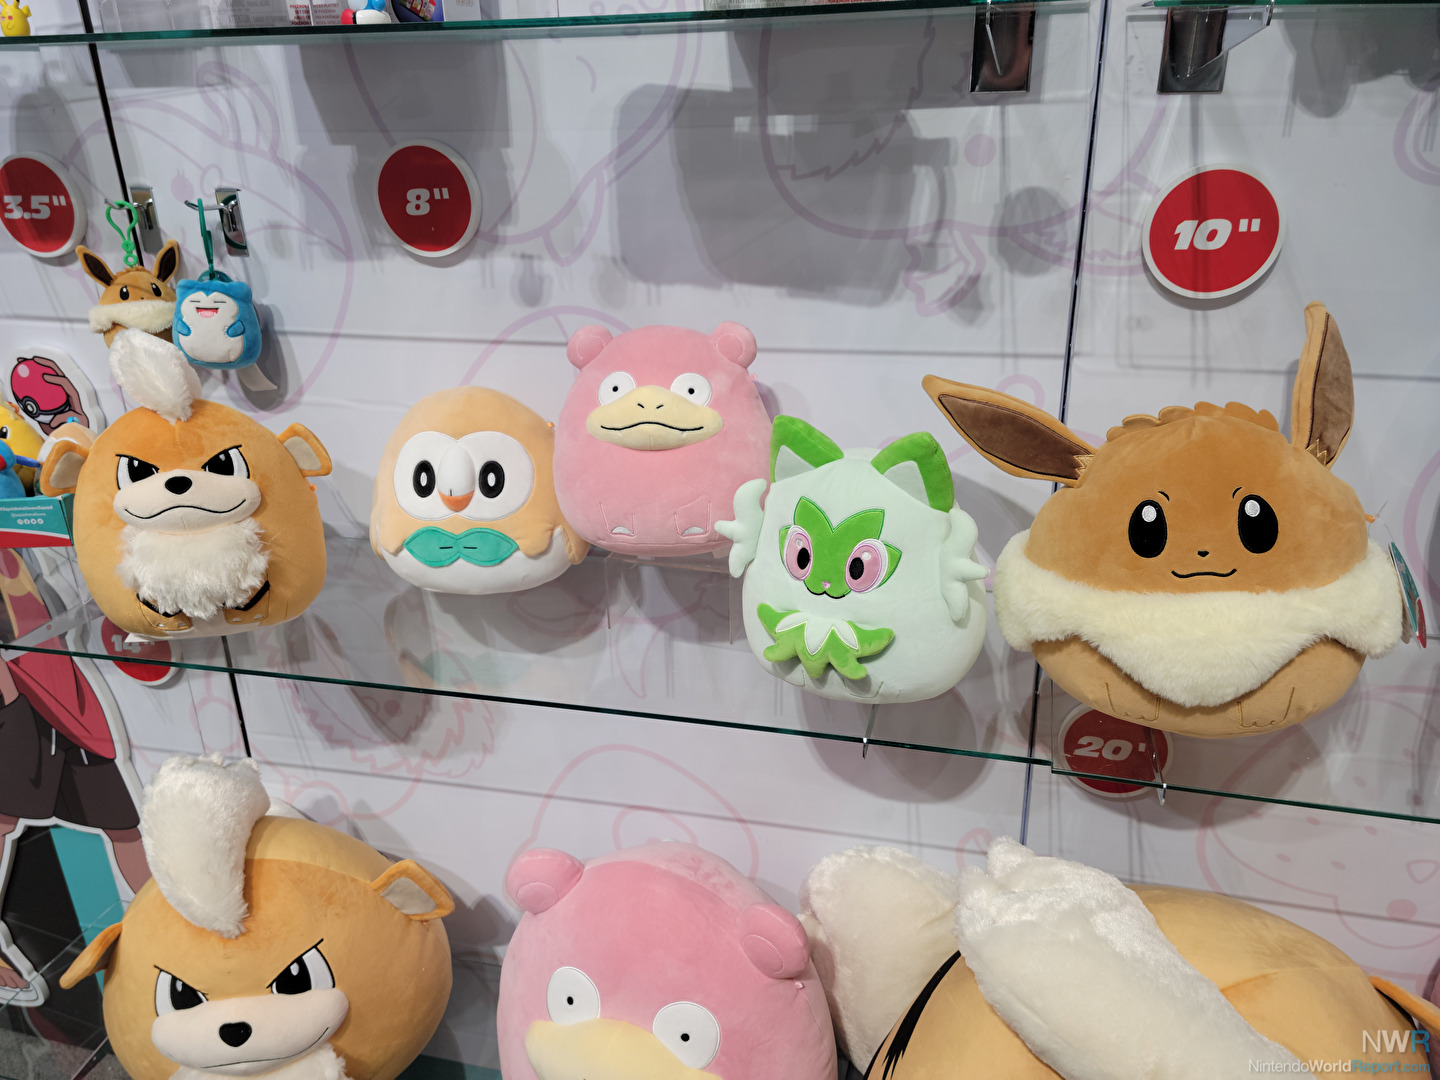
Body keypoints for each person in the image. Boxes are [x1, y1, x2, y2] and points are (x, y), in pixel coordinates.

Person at [0, 549, 148, 1001]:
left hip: (59, 682)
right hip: (19, 684)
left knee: (122, 824)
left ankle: (171, 926)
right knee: (2, 820)